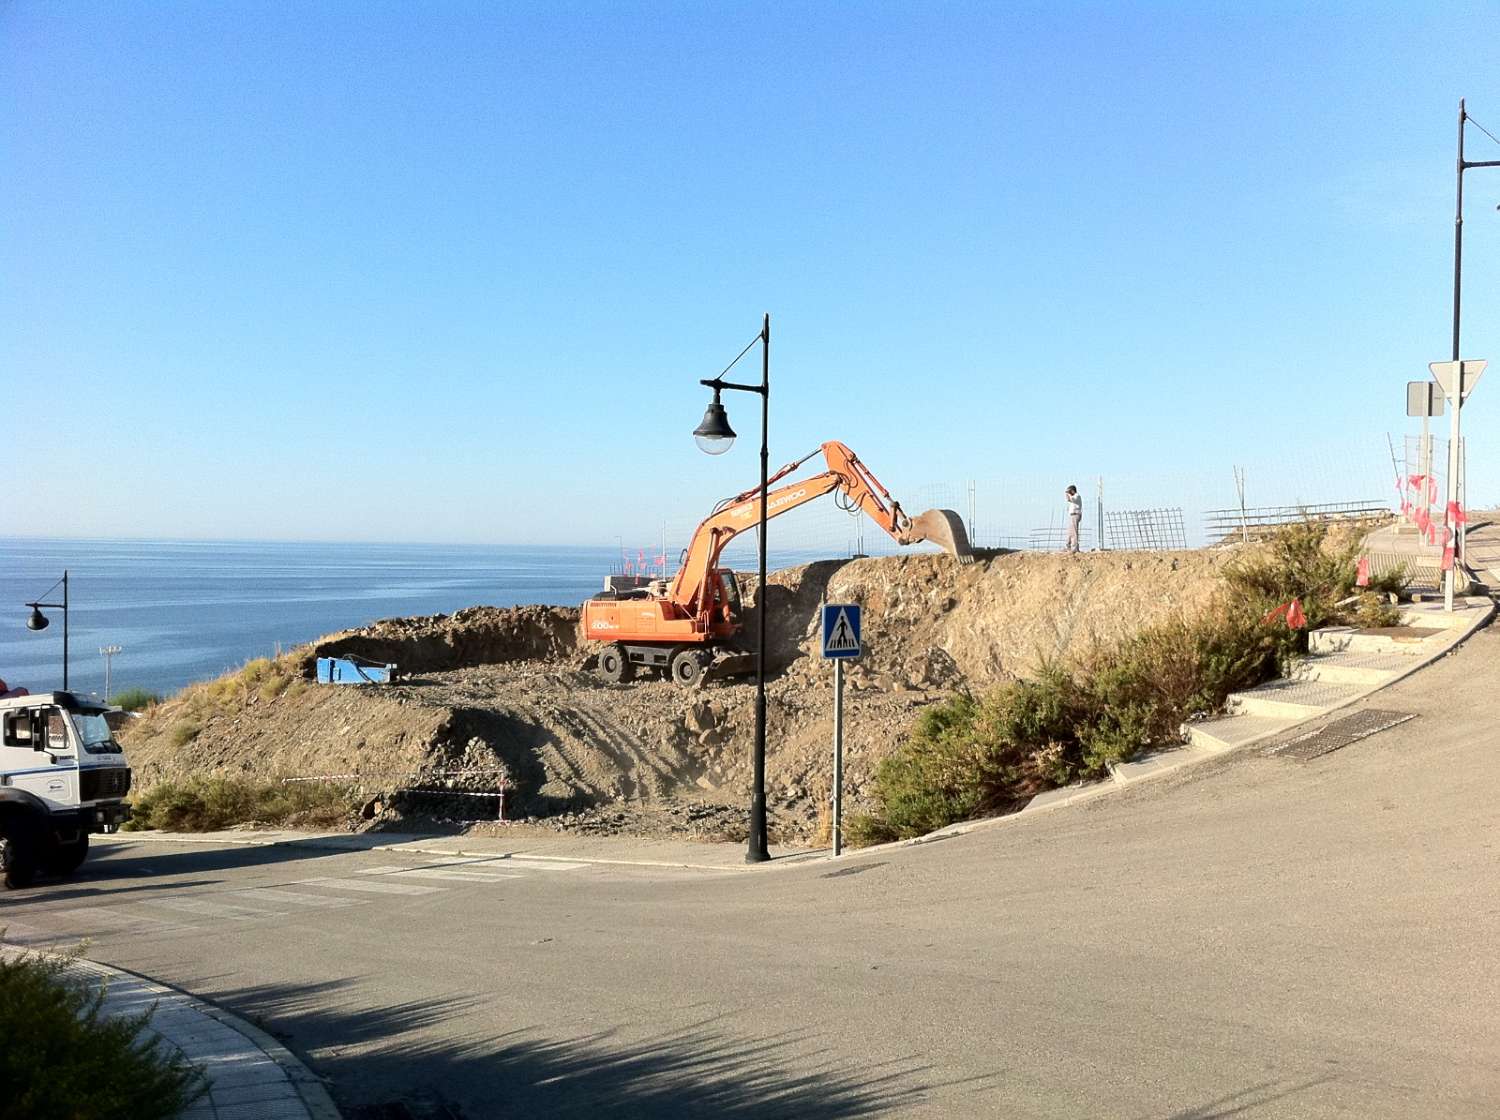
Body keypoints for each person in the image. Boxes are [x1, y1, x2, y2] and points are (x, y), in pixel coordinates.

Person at [1064, 485, 1083, 553]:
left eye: (1070, 491)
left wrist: (1068, 494)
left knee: (1074, 532)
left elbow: (1072, 499)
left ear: (1072, 491)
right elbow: (1069, 500)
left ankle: (1074, 548)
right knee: (1070, 532)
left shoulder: (1077, 496)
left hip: (1076, 514)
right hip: (1072, 515)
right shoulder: (1073, 497)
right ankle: (1068, 546)